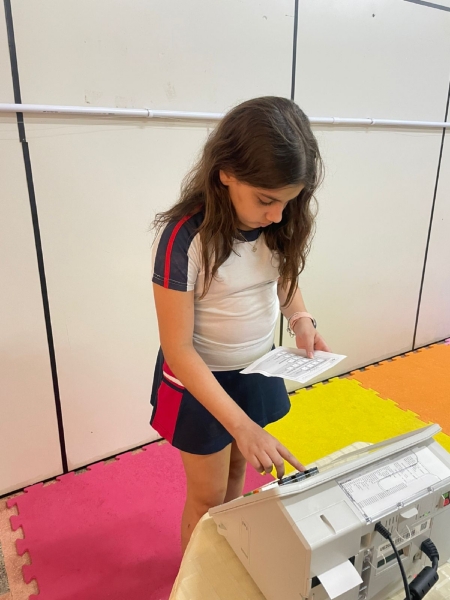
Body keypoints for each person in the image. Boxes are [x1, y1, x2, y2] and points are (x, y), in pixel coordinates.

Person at [150, 96, 330, 552]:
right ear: (226, 172)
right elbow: (178, 349)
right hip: (200, 380)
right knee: (207, 499)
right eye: (266, 200)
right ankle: (197, 577)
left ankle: (224, 558)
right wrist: (243, 426)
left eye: (288, 201)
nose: (277, 214)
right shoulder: (185, 238)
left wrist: (301, 318)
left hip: (255, 370)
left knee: (235, 476)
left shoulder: (278, 224)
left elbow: (283, 279)